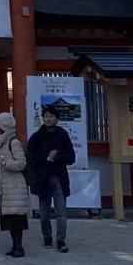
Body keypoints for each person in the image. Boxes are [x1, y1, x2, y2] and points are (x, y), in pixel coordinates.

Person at [27, 105, 77, 253]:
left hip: (59, 177)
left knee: (61, 212)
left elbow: (71, 158)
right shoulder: (37, 136)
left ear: (57, 119)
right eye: (46, 116)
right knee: (44, 213)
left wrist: (57, 157)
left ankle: (61, 240)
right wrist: (46, 159)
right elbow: (30, 156)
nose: (48, 119)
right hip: (43, 178)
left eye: (51, 116)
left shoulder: (62, 135)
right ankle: (47, 237)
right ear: (43, 118)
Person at [0, 111, 30, 258]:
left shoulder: (14, 142)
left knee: (16, 219)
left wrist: (5, 162)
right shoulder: (1, 142)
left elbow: (22, 163)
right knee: (9, 219)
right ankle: (14, 246)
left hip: (15, 186)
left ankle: (19, 247)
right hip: (5, 186)